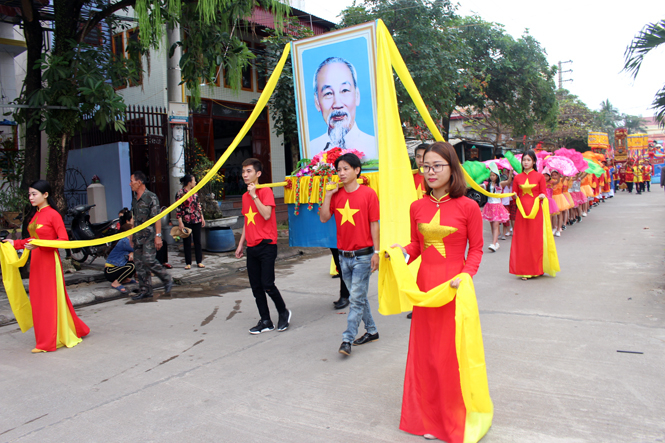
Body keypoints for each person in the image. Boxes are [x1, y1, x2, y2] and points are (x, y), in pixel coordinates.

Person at [389, 142, 484, 442]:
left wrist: (465, 276)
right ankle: (427, 417)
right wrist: (398, 254)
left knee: (450, 356)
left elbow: (477, 249)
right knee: (426, 356)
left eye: (436, 166)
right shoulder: (417, 206)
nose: (429, 172)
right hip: (425, 291)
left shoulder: (468, 206)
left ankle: (453, 416)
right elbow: (416, 246)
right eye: (425, 166)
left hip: (454, 290)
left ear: (451, 168)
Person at [3, 180, 90, 352]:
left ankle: (47, 342)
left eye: (34, 194)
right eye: (29, 194)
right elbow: (32, 240)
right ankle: (76, 329)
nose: (31, 197)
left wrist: (40, 245)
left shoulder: (52, 215)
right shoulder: (35, 215)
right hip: (36, 262)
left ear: (45, 195)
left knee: (49, 301)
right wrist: (15, 243)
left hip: (49, 262)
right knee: (38, 300)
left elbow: (63, 240)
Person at [320, 152, 380, 356]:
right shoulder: (336, 195)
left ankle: (347, 339)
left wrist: (377, 252)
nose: (342, 173)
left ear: (357, 170)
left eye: (346, 169)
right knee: (359, 296)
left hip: (363, 255)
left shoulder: (369, 194)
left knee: (355, 298)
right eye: (339, 170)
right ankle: (371, 331)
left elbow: (374, 225)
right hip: (343, 255)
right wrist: (328, 195)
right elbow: (324, 217)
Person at [235, 158, 291, 334]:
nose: (245, 175)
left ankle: (283, 312)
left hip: (267, 244)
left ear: (258, 174)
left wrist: (254, 195)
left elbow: (266, 214)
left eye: (249, 171)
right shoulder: (244, 196)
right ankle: (265, 320)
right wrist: (240, 243)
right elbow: (247, 220)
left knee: (267, 283)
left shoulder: (265, 191)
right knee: (256, 287)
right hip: (251, 246)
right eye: (243, 171)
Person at [309, 57, 376, 159]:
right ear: (317, 102)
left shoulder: (376, 146)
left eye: (344, 91)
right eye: (328, 93)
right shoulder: (311, 149)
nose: (337, 104)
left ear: (357, 96)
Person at [129, 171, 173, 300]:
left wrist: (158, 236)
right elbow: (134, 218)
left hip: (149, 236)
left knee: (148, 260)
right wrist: (131, 235)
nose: (130, 183)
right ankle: (146, 290)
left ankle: (166, 278)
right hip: (137, 236)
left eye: (132, 181)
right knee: (139, 263)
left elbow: (157, 218)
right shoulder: (134, 199)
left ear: (139, 182)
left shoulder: (151, 197)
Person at [509, 150, 548, 280]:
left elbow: (544, 193)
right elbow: (514, 195)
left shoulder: (540, 177)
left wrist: (542, 196)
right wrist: (513, 196)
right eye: (524, 160)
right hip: (522, 212)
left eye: (528, 160)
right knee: (522, 239)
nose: (526, 162)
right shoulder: (517, 177)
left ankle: (537, 268)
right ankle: (524, 269)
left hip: (535, 211)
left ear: (534, 162)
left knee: (534, 239)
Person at [176, 174, 206, 270]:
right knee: (187, 241)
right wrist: (180, 222)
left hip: (196, 218)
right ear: (189, 182)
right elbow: (178, 208)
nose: (195, 182)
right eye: (194, 180)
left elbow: (198, 205)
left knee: (198, 241)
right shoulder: (180, 193)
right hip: (186, 220)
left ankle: (199, 261)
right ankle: (188, 262)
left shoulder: (195, 192)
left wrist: (202, 217)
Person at [481, 162, 510, 252]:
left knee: (496, 225)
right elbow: (478, 186)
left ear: (497, 176)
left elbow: (509, 181)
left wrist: (511, 172)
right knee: (492, 225)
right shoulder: (487, 184)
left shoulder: (500, 184)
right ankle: (496, 242)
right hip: (489, 206)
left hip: (497, 207)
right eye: (491, 175)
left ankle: (494, 243)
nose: (492, 177)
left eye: (493, 175)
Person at [104, 213, 136, 294]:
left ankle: (125, 279)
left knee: (134, 261)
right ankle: (116, 282)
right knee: (131, 266)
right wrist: (132, 252)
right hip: (110, 271)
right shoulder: (124, 241)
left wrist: (132, 252)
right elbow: (139, 250)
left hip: (117, 268)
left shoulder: (128, 241)